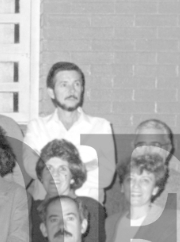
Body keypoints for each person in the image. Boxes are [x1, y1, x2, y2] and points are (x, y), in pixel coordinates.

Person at [104, 119, 180, 242]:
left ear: (168, 149)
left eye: (155, 145)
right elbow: (109, 236)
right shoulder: (117, 186)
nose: (147, 151)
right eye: (141, 145)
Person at [24, 61, 116, 203]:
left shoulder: (100, 127)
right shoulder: (37, 127)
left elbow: (105, 177)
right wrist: (86, 166)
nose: (72, 90)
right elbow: (33, 168)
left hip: (88, 209)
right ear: (51, 92)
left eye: (76, 84)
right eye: (64, 84)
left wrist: (54, 168)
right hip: (47, 208)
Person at [28, 139, 105, 242]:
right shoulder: (31, 209)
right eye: (49, 168)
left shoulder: (90, 208)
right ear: (41, 177)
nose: (54, 174)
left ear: (73, 176)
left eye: (62, 169)